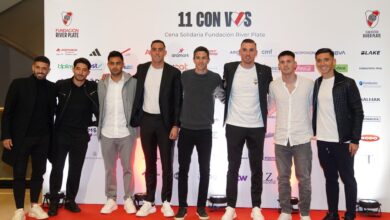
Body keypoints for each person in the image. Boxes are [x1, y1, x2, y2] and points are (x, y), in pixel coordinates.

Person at [221, 39, 272, 220]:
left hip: (256, 126)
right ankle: (230, 207)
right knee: (232, 167)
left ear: (256, 52)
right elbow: (221, 91)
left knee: (256, 168)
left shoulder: (264, 71)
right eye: (244, 50)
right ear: (239, 52)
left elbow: (271, 95)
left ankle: (256, 207)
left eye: (251, 50)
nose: (248, 53)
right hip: (234, 125)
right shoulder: (229, 68)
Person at [130, 40, 182, 217]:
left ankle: (166, 201)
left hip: (165, 123)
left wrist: (176, 124)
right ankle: (150, 200)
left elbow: (177, 102)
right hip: (146, 121)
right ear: (150, 52)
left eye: (160, 50)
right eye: (154, 50)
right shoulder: (143, 68)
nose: (157, 52)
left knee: (167, 164)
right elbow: (129, 84)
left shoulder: (174, 72)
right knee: (149, 163)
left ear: (165, 52)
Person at [1, 56, 56, 220]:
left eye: (44, 68)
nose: (41, 70)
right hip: (20, 138)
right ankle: (18, 210)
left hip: (43, 139)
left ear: (48, 70)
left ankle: (34, 206)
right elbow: (8, 113)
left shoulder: (52, 88)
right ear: (33, 68)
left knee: (38, 174)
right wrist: (6, 136)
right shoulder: (18, 84)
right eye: (38, 67)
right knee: (18, 174)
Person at [313, 48, 364, 220]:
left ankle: (350, 214)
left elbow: (358, 112)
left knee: (348, 179)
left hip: (343, 141)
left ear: (333, 61)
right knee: (330, 179)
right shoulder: (317, 83)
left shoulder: (347, 83)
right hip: (323, 140)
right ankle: (333, 213)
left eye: (326, 59)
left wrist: (355, 139)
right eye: (319, 60)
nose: (323, 63)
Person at [174, 46, 224, 220]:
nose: (201, 61)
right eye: (198, 57)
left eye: (204, 58)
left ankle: (201, 207)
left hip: (205, 131)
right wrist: (176, 125)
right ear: (193, 59)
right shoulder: (185, 77)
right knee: (183, 169)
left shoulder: (215, 78)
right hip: (186, 129)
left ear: (208, 60)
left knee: (205, 170)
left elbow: (224, 98)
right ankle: (182, 207)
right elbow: (177, 101)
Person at [48, 57, 99, 216]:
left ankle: (70, 200)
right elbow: (48, 103)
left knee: (75, 170)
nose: (81, 72)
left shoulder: (93, 87)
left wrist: (96, 122)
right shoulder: (61, 85)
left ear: (88, 72)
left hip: (81, 135)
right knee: (57, 168)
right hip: (61, 133)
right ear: (73, 69)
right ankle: (54, 201)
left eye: (84, 70)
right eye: (78, 69)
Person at [268, 51, 313, 220]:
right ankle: (286, 211)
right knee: (283, 178)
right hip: (281, 139)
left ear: (295, 64)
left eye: (289, 61)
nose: (285, 64)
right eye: (282, 62)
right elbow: (269, 107)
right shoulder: (274, 86)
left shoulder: (309, 84)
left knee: (304, 178)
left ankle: (305, 213)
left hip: (301, 138)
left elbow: (315, 109)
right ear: (278, 65)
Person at [97, 51, 138, 214]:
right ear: (108, 65)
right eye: (112, 63)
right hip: (107, 132)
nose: (115, 66)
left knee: (128, 168)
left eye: (118, 63)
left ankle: (128, 198)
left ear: (122, 64)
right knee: (109, 169)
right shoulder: (102, 83)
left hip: (126, 132)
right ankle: (111, 199)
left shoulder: (132, 82)